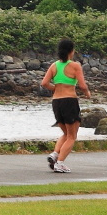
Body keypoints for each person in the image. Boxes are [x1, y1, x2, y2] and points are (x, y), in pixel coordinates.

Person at [41, 38, 88, 173]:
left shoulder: (54, 65)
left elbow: (44, 83)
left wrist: (55, 88)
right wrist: (87, 92)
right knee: (72, 136)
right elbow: (82, 85)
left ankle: (55, 154)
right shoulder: (75, 65)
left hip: (56, 102)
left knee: (66, 133)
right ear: (71, 51)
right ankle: (59, 163)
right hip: (69, 101)